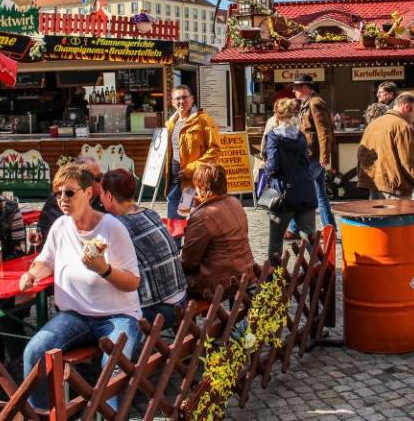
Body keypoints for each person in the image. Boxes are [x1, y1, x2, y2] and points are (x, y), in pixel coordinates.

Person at [19, 163, 141, 409]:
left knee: (113, 367)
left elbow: (133, 282)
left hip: (117, 316)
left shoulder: (112, 228)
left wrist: (103, 270)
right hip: (75, 316)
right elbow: (46, 261)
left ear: (88, 193)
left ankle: (112, 416)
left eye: (69, 193)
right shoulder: (60, 226)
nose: (62, 199)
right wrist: (31, 275)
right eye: (58, 193)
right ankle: (44, 414)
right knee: (34, 351)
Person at [100, 168, 186, 330]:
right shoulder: (150, 213)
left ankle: (114, 353)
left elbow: (107, 272)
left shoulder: (116, 226)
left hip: (159, 310)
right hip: (182, 301)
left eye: (101, 194)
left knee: (97, 316)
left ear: (109, 196)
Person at [181, 162, 255, 300]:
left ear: (201, 186)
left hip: (222, 281)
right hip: (246, 270)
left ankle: (189, 319)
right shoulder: (234, 202)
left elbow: (188, 261)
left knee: (174, 283)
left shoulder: (202, 216)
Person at [263, 98, 317, 262]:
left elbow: (272, 166)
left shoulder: (273, 137)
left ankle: (276, 279)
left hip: (282, 196)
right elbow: (305, 161)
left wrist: (266, 169)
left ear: (277, 116)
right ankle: (319, 275)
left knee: (276, 240)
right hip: (305, 192)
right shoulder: (300, 136)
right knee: (309, 238)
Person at [357, 92, 414, 199]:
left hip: (374, 185)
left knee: (378, 216)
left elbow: (361, 155)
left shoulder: (373, 124)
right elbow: (409, 162)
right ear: (407, 107)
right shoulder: (403, 126)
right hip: (395, 189)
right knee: (395, 216)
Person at [165, 85, 221, 220]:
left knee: (195, 226)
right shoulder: (171, 124)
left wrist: (190, 169)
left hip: (193, 184)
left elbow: (215, 150)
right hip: (174, 183)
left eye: (185, 97)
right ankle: (177, 242)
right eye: (177, 98)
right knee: (174, 226)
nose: (181, 101)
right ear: (172, 102)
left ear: (192, 99)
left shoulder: (204, 120)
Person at [291, 74, 337, 230]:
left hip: (314, 156)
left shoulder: (315, 103)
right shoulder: (308, 102)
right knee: (321, 195)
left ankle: (293, 228)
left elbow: (324, 132)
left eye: (296, 87)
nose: (293, 91)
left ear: (305, 87)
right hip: (311, 155)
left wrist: (324, 157)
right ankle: (330, 227)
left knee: (299, 189)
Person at [37, 157, 105, 237]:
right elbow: (74, 232)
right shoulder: (61, 200)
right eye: (97, 179)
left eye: (101, 176)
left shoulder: (101, 198)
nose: (102, 181)